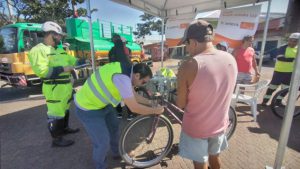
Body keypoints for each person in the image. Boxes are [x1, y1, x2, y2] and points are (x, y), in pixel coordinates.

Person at [74, 62, 164, 169]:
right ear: (137, 75)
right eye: (143, 82)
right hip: (87, 108)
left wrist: (151, 103)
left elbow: (134, 96)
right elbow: (134, 107)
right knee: (102, 142)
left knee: (114, 127)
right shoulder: (123, 78)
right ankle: (100, 166)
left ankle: (117, 152)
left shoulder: (127, 71)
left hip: (103, 104)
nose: (142, 85)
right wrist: (155, 111)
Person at [176, 19, 237, 169]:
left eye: (187, 44)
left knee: (200, 163)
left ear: (193, 42)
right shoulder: (230, 58)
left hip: (197, 127)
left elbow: (181, 104)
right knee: (215, 158)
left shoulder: (189, 64)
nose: (187, 48)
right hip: (219, 124)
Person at [28, 21, 81, 147]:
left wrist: (81, 61)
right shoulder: (38, 50)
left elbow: (71, 60)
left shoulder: (58, 49)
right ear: (51, 34)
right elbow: (43, 72)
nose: (61, 38)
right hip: (54, 87)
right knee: (55, 113)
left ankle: (65, 129)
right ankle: (57, 139)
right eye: (59, 35)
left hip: (66, 87)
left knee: (65, 109)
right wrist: (64, 69)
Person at [262, 32, 300, 106]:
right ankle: (264, 102)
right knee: (272, 88)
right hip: (279, 72)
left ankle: (278, 101)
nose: (292, 42)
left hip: (290, 73)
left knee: (285, 89)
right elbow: (280, 57)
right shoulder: (283, 47)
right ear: (288, 40)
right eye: (291, 40)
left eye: (295, 41)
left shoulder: (298, 49)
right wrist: (293, 59)